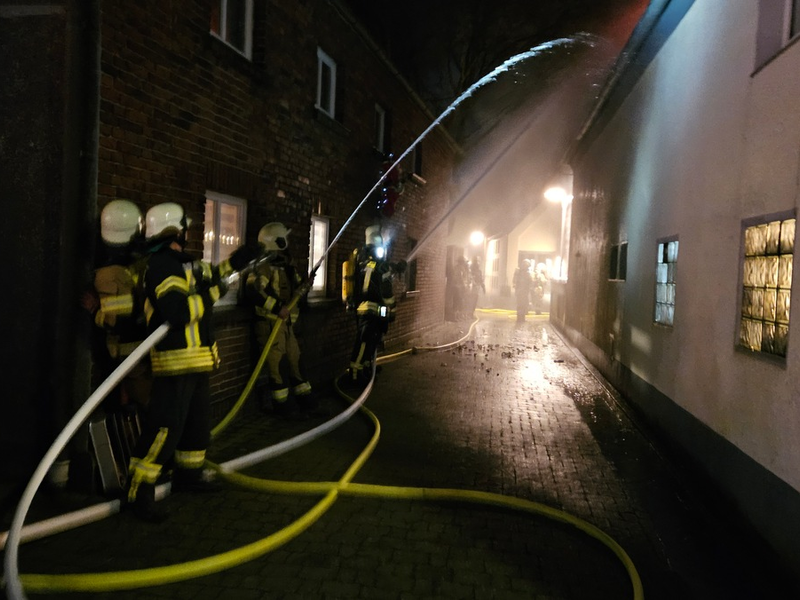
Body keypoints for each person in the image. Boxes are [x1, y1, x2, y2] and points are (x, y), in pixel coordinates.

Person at [125, 202, 259, 522]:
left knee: (196, 425)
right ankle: (138, 490)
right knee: (165, 428)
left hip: (197, 360)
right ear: (176, 231)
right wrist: (215, 293)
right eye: (185, 228)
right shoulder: (160, 266)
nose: (188, 233)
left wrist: (237, 261)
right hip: (175, 361)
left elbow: (212, 275)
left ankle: (189, 474)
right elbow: (177, 312)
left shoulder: (184, 264)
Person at [80, 199, 151, 410]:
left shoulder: (109, 275)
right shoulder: (140, 264)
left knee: (142, 406)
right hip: (142, 350)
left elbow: (116, 322)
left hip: (128, 355)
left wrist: (94, 310)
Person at [244, 222, 314, 418]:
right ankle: (282, 407)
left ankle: (305, 401)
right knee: (278, 365)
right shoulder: (261, 266)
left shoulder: (285, 265)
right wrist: (277, 308)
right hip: (269, 324)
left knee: (295, 360)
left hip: (286, 324)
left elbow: (297, 288)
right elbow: (254, 291)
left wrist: (306, 285)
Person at [346, 224, 405, 383]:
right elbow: (386, 292)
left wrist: (395, 267)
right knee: (365, 341)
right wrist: (392, 311)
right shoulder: (379, 267)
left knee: (371, 340)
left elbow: (378, 272)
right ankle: (355, 374)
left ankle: (365, 368)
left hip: (367, 310)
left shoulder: (364, 263)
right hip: (374, 311)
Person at [512, 259, 533, 323]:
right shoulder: (519, 273)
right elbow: (515, 281)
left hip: (524, 292)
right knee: (521, 305)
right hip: (521, 292)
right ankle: (520, 318)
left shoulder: (525, 273)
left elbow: (530, 282)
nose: (527, 268)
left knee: (523, 305)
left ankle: (521, 318)